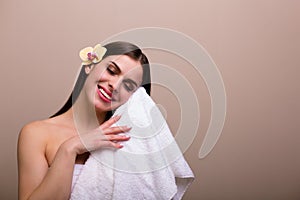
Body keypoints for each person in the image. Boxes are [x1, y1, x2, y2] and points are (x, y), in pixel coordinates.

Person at [17, 41, 151, 200]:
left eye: (128, 86)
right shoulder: (36, 134)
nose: (114, 85)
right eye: (111, 71)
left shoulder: (128, 143)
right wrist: (70, 148)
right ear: (90, 66)